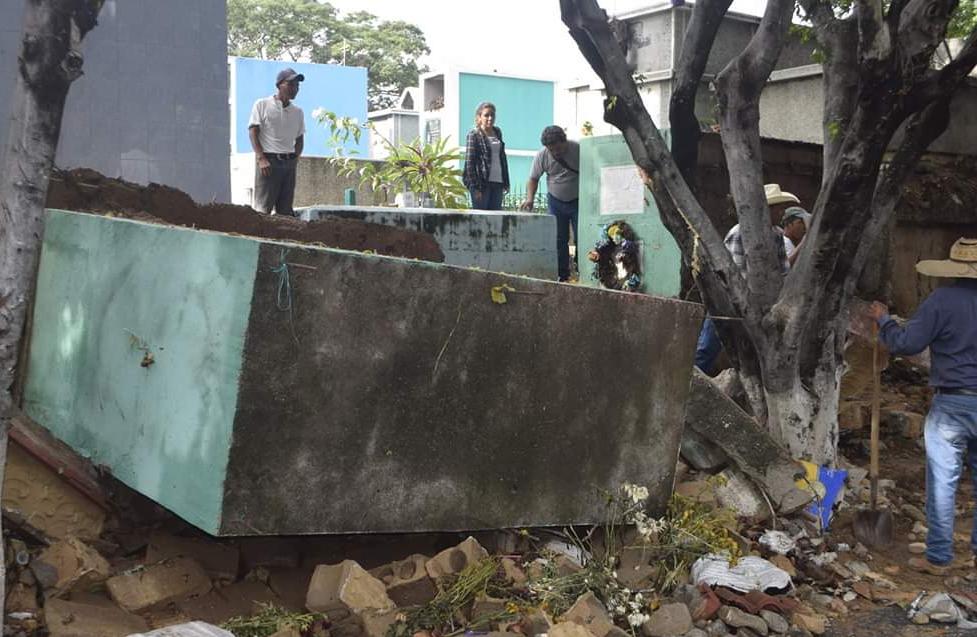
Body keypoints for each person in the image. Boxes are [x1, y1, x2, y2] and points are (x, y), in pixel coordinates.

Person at [868, 237, 977, 576]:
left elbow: (907, 343)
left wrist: (884, 320)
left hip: (954, 402)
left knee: (943, 482)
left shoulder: (942, 300)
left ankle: (940, 558)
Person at [695, 184, 797, 373]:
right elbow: (735, 277)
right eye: (778, 208)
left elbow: (783, 272)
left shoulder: (777, 236)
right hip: (727, 301)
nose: (782, 213)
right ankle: (691, 384)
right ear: (766, 210)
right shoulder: (739, 233)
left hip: (760, 304)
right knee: (707, 348)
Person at [521, 126, 580, 281]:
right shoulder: (542, 155)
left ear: (564, 141)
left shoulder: (578, 149)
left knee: (581, 236)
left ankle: (582, 271)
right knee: (559, 239)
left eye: (559, 148)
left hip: (578, 201)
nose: (556, 153)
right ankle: (562, 274)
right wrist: (530, 199)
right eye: (552, 150)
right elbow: (533, 178)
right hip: (556, 201)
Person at [248, 68, 305, 216]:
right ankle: (260, 238)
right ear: (279, 85)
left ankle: (282, 239)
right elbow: (253, 131)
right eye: (291, 84)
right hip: (269, 162)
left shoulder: (297, 112)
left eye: (297, 86)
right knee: (263, 209)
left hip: (288, 163)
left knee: (285, 211)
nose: (295, 89)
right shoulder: (262, 104)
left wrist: (295, 159)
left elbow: (299, 138)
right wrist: (261, 158)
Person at [463, 102, 509, 211]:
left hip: (498, 182)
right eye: (486, 115)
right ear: (479, 117)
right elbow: (470, 163)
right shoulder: (474, 135)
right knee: (481, 218)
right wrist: (476, 187)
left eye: (492, 115)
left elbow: (502, 157)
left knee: (496, 219)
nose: (490, 118)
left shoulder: (497, 132)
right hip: (482, 183)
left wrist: (506, 181)